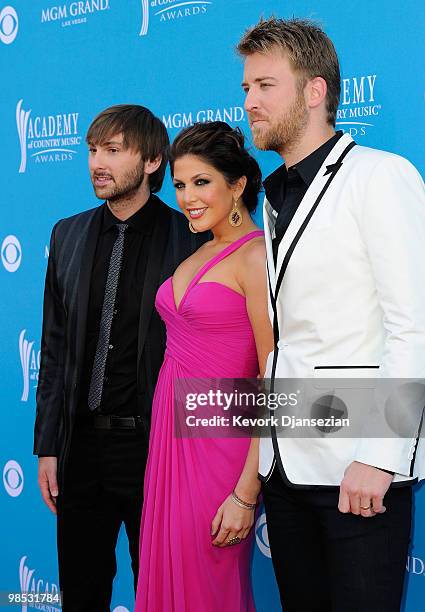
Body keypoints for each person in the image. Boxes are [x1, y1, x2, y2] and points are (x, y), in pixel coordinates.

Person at [238, 17, 425, 612]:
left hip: (359, 472)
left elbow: (413, 326)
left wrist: (381, 455)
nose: (250, 102)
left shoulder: (380, 177)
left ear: (315, 91)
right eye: (246, 89)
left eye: (266, 86)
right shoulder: (271, 199)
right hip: (287, 469)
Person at [33, 104, 208, 611]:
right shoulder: (67, 234)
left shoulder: (189, 239)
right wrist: (49, 445)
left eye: (113, 150)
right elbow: (55, 345)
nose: (96, 163)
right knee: (81, 591)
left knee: (161, 592)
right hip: (81, 447)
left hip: (156, 448)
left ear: (153, 161)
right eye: (92, 150)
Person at [134, 121, 273, 611]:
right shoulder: (201, 250)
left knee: (206, 585)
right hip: (170, 439)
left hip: (220, 448)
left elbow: (271, 374)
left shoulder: (255, 257)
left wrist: (246, 491)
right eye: (179, 185)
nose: (187, 197)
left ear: (237, 186)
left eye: (201, 182)